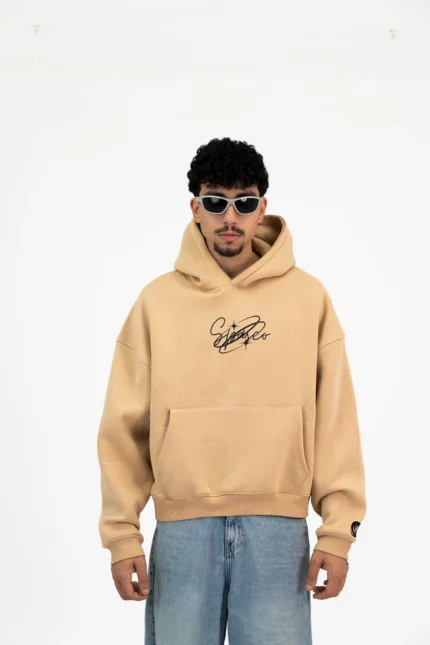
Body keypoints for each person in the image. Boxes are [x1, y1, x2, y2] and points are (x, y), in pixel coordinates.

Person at [96, 137, 367, 644]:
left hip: (278, 532)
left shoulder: (308, 298)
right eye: (216, 202)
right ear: (195, 208)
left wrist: (338, 531)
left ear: (262, 208)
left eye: (244, 203)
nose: (230, 217)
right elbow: (123, 426)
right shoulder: (157, 302)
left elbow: (335, 420)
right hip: (182, 531)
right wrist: (121, 535)